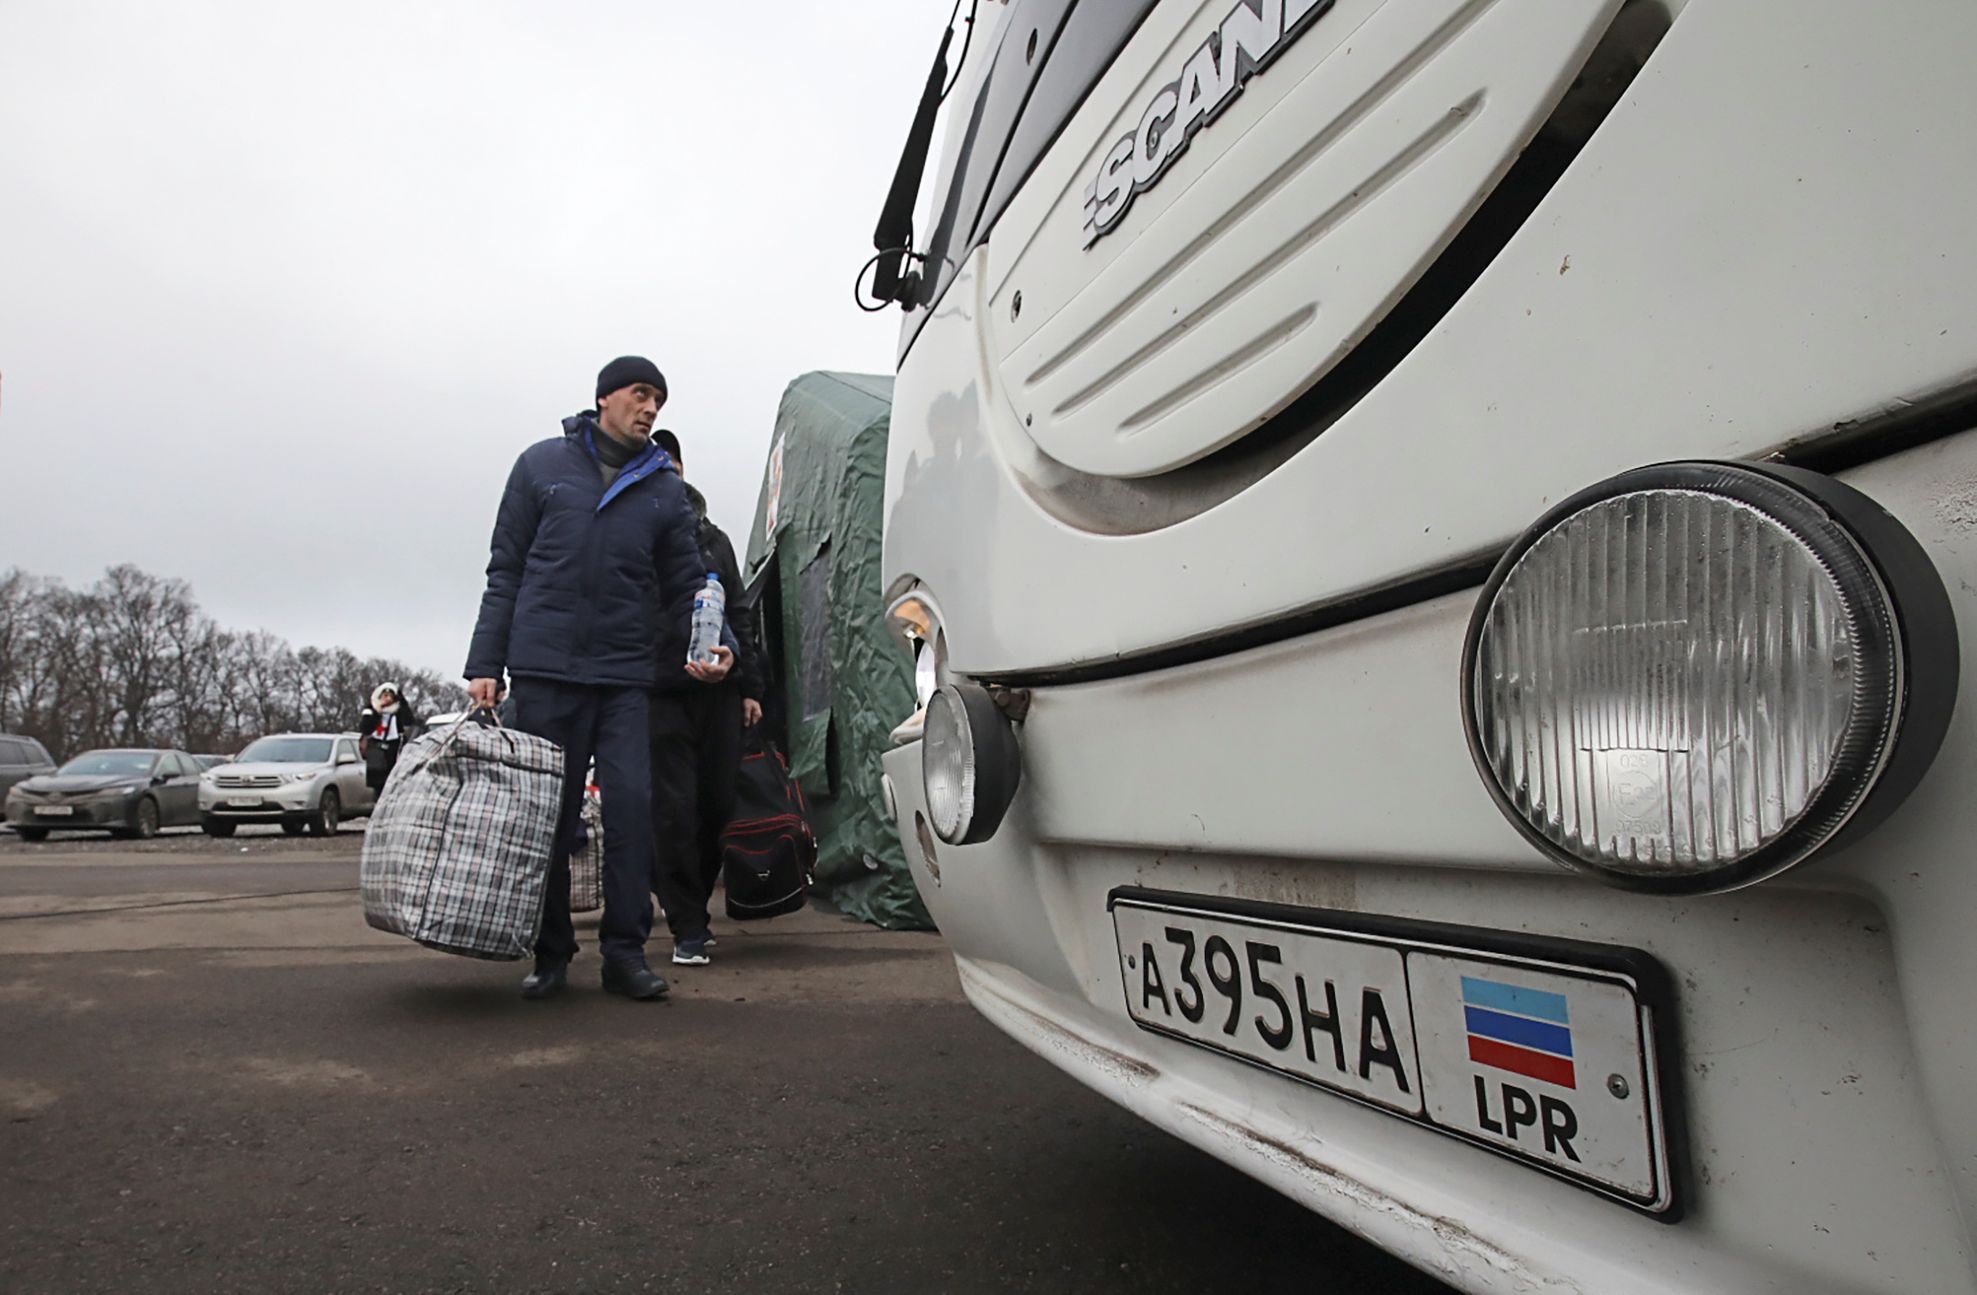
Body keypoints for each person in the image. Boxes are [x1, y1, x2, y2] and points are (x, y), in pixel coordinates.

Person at [465, 356, 732, 1002]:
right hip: (545, 666)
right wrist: (484, 664)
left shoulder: (663, 490)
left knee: (634, 811)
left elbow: (686, 586)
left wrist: (714, 645)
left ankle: (624, 953)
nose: (649, 410)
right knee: (549, 819)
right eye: (641, 395)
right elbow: (506, 569)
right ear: (606, 396)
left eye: (659, 403)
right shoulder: (540, 466)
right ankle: (552, 952)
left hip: (622, 674)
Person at [647, 428, 766, 967]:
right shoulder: (635, 535)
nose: (666, 475)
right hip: (660, 692)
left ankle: (689, 901)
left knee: (717, 804)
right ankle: (687, 924)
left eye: (672, 465)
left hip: (719, 691)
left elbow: (739, 610)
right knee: (673, 808)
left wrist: (747, 682)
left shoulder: (714, 537)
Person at [356, 683, 419, 795]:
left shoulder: (397, 711)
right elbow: (365, 729)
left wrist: (402, 701)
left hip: (393, 748)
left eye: (390, 696)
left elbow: (409, 721)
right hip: (376, 750)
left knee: (392, 781)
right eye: (385, 695)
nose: (387, 699)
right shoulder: (371, 709)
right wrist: (377, 712)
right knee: (378, 784)